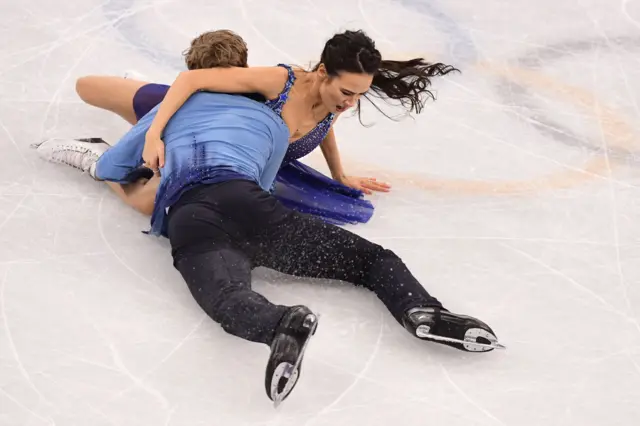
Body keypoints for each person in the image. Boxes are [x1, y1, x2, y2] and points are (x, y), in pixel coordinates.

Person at [34, 30, 504, 405]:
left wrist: (139, 147)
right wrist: (161, 121)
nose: (350, 102)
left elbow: (119, 157)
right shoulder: (269, 116)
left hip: (192, 217)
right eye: (347, 91)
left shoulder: (299, 108)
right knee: (372, 261)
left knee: (225, 296)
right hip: (252, 204)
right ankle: (421, 309)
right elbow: (241, 147)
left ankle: (281, 323)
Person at [73, 29, 390, 226]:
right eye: (348, 92)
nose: (352, 103)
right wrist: (153, 134)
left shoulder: (336, 100)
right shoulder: (281, 81)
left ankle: (97, 156)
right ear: (323, 72)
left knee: (147, 203)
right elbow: (190, 79)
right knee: (87, 88)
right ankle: (140, 98)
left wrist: (340, 175)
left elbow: (323, 128)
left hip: (214, 149)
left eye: (360, 94)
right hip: (189, 108)